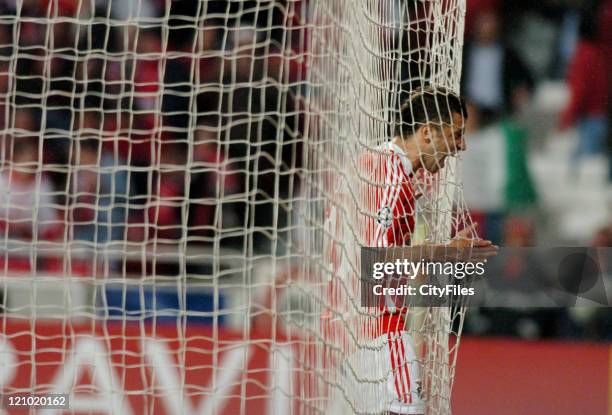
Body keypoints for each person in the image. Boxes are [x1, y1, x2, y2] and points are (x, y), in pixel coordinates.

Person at [327, 86, 497, 414]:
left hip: (347, 331)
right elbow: (373, 261)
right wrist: (447, 252)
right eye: (456, 134)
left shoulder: (374, 164)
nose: (462, 145)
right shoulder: (390, 177)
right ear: (428, 133)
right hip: (377, 330)